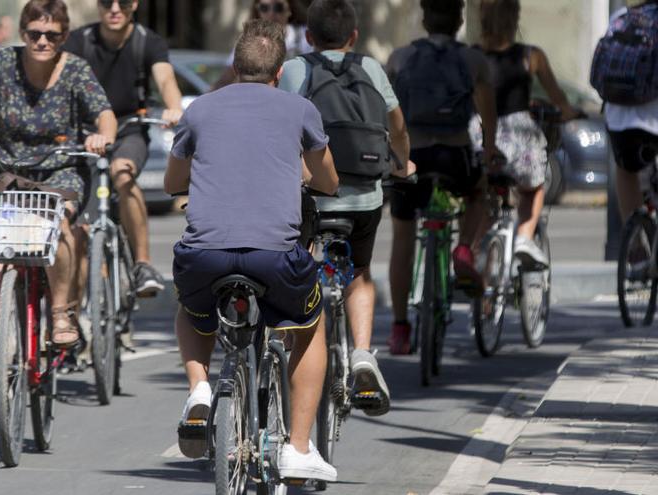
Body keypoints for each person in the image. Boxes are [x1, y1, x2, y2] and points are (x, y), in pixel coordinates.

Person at [167, 19, 340, 481]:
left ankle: (200, 388)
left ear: (234, 66)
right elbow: (328, 180)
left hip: (205, 256)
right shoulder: (299, 109)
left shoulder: (200, 109)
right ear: (279, 71)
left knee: (191, 307)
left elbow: (170, 182)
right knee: (309, 325)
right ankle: (298, 449)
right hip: (274, 258)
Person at [0, 0, 117, 421]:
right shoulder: (0, 63)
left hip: (60, 172)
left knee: (61, 222)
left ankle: (62, 314)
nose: (42, 41)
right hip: (8, 173)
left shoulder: (76, 70)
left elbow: (104, 115)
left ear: (64, 36)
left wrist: (102, 137)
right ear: (22, 33)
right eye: (34, 33)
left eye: (51, 34)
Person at [278, 0, 414, 415]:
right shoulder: (371, 67)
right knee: (358, 274)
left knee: (299, 264)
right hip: (365, 196)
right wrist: (402, 163)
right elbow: (397, 125)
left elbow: (282, 127)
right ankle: (361, 354)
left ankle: (293, 345)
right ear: (353, 37)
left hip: (313, 195)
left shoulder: (296, 70)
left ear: (309, 36)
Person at [385, 0, 499, 355]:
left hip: (412, 158)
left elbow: (387, 113)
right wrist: (490, 150)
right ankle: (463, 247)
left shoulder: (400, 58)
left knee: (402, 236)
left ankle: (401, 327)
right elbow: (488, 115)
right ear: (459, 19)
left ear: (424, 18)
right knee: (478, 192)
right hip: (454, 155)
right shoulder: (473, 60)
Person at [63, 0, 183, 297]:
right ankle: (75, 318)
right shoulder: (79, 40)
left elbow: (165, 78)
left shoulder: (147, 41)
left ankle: (142, 264)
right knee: (80, 219)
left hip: (130, 128)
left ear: (136, 4)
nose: (115, 9)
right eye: (107, 2)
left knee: (123, 172)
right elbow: (61, 79)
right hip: (87, 134)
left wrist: (174, 108)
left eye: (124, 2)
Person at [473, 0, 578, 267]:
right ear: (515, 18)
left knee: (482, 197)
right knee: (534, 186)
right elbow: (558, 98)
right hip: (518, 137)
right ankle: (524, 236)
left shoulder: (471, 55)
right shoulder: (531, 56)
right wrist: (567, 111)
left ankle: (478, 263)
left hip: (480, 134)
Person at [600, 0, 658, 225]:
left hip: (619, 120)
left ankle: (633, 241)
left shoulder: (620, 18)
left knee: (625, 169)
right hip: (653, 118)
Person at [212, 0, 310, 90]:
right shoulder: (248, 38)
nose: (271, 14)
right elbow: (226, 78)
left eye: (278, 8)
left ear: (290, 9)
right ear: (257, 10)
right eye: (264, 8)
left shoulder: (305, 37)